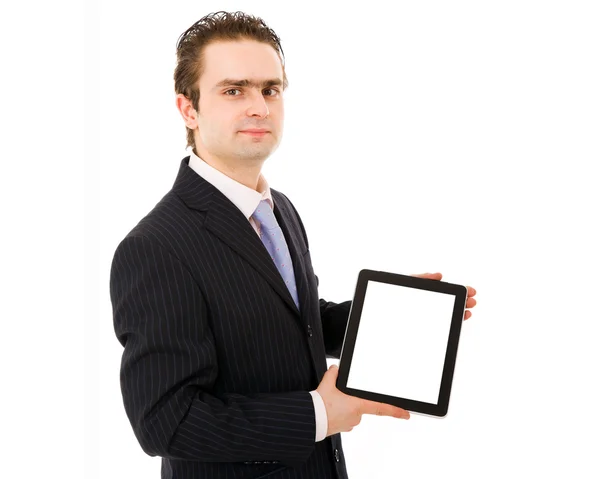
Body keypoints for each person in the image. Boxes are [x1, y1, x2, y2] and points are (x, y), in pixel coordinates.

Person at [109, 11, 477, 479]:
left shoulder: (277, 208)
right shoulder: (155, 247)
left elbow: (291, 321)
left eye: (271, 89)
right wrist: (319, 413)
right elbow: (166, 422)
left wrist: (387, 311)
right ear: (189, 109)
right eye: (233, 90)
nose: (259, 106)